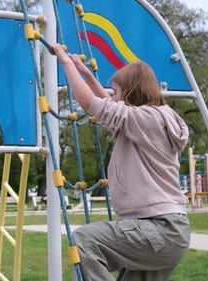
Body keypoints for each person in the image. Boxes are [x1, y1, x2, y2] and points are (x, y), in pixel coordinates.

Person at [53, 44, 191, 281]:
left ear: (130, 92)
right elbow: (108, 105)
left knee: (85, 240)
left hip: (159, 229)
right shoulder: (151, 119)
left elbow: (92, 104)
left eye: (116, 92)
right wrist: (85, 73)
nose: (112, 97)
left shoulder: (147, 119)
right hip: (165, 233)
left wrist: (65, 63)